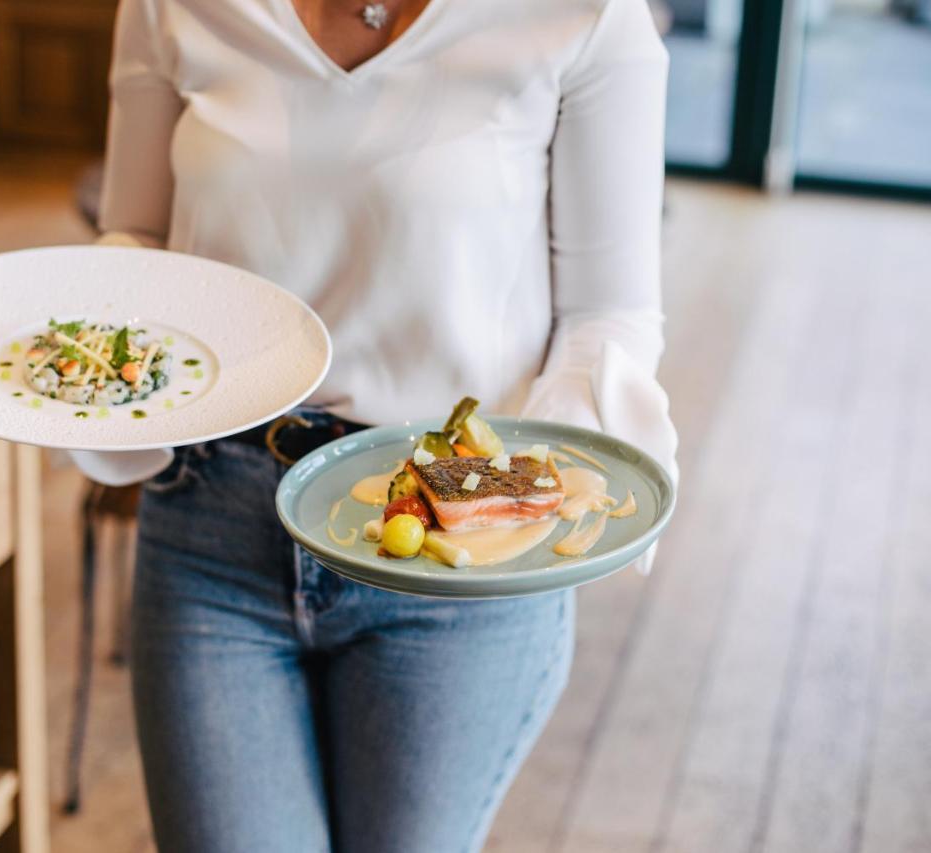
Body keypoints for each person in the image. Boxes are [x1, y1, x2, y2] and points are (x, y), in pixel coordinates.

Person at [73, 0, 679, 850]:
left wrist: (507, 507)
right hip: (215, 520)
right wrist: (62, 354)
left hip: (455, 551)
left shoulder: (584, 14)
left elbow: (610, 317)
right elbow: (133, 235)